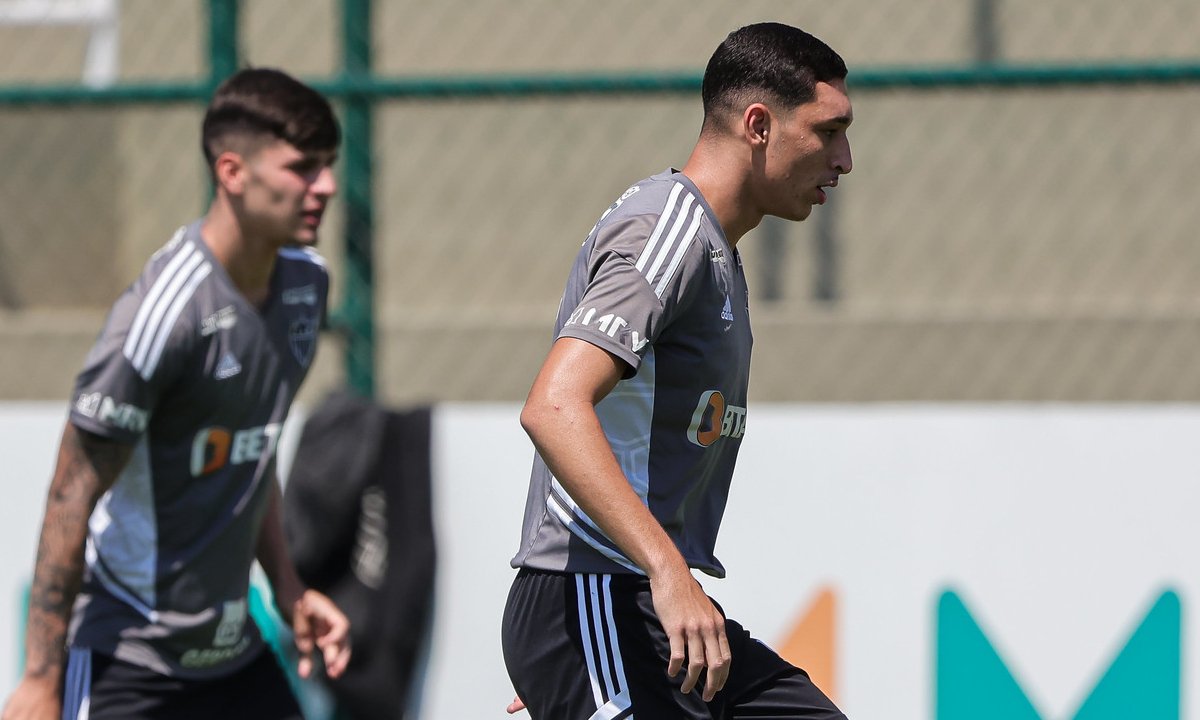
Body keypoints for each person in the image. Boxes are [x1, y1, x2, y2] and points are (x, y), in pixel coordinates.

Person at [503, 22, 853, 719]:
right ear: (758, 124)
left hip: (623, 616)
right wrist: (632, 600)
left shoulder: (713, 247)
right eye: (828, 131)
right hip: (599, 594)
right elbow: (554, 404)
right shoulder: (671, 232)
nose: (844, 160)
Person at [3, 67, 351, 720]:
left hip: (233, 656)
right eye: (303, 167)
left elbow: (254, 450)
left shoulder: (307, 287)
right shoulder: (163, 317)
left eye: (329, 165)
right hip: (127, 659)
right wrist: (41, 681)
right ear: (232, 172)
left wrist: (288, 590)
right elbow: (70, 492)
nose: (325, 186)